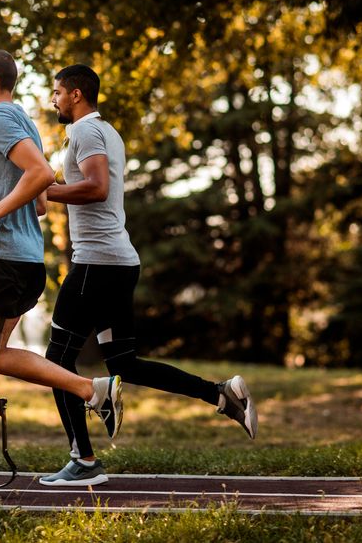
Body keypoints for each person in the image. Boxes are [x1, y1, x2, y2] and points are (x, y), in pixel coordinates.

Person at [39, 64, 258, 487]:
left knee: (56, 361)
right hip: (118, 263)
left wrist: (43, 189)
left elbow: (98, 187)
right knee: (124, 364)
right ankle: (221, 393)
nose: (54, 99)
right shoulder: (108, 132)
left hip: (96, 265)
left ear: (77, 94)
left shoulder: (85, 132)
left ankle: (83, 462)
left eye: (58, 92)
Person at [0, 50, 124, 439]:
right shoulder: (24, 121)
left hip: (4, 260)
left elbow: (40, 174)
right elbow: (38, 201)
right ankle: (91, 395)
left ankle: (91, 389)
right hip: (21, 259)